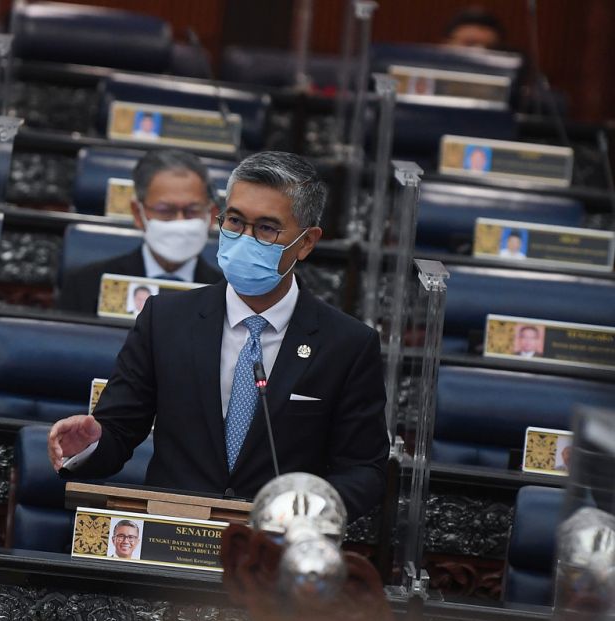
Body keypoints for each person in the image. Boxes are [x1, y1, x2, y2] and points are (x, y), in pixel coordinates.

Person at [48, 152, 389, 521]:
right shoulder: (165, 320)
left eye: (266, 229)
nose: (245, 238)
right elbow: (119, 431)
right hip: (170, 538)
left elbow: (363, 470)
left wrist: (308, 511)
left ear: (306, 243)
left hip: (271, 551)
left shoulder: (347, 345)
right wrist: (90, 442)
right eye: (235, 221)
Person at [58, 149, 222, 314]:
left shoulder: (227, 295)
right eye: (165, 210)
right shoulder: (87, 286)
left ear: (212, 215)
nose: (180, 221)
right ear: (138, 213)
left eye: (192, 210)